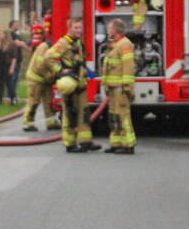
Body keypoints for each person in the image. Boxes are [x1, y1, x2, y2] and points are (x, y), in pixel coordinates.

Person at [45, 17, 100, 153]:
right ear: (69, 28)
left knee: (84, 113)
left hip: (80, 84)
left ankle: (85, 141)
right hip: (70, 84)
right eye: (75, 27)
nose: (78, 30)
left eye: (80, 27)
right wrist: (60, 70)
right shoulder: (64, 42)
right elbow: (48, 57)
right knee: (71, 113)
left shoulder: (78, 42)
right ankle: (70, 143)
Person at [101, 18, 137, 154]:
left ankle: (128, 144)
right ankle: (116, 143)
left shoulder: (125, 44)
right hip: (112, 88)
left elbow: (128, 67)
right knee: (114, 116)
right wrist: (106, 85)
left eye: (109, 28)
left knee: (123, 116)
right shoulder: (114, 44)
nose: (108, 30)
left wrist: (126, 87)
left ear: (115, 30)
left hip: (120, 89)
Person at [21, 39, 60, 132]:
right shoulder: (44, 47)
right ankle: (28, 124)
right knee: (34, 101)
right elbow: (40, 66)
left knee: (49, 101)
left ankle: (51, 123)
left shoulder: (50, 47)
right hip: (36, 79)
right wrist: (51, 77)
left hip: (46, 80)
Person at [0, 29, 16, 105]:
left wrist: (12, 68)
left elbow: (14, 57)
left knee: (9, 83)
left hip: (7, 65)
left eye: (1, 34)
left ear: (6, 35)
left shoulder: (12, 44)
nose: (0, 35)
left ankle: (12, 99)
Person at [8, 19, 29, 102]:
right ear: (11, 25)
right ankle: (12, 96)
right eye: (16, 25)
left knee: (15, 79)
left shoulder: (16, 35)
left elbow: (22, 43)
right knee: (13, 79)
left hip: (18, 60)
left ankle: (13, 95)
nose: (18, 26)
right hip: (14, 60)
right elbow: (19, 44)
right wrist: (30, 49)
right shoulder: (11, 34)